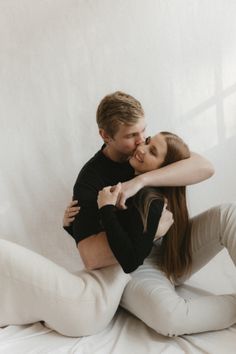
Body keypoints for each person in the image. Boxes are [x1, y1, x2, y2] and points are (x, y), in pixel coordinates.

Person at [64, 91, 236, 336]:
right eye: (131, 135)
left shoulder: (144, 153)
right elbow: (90, 257)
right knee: (170, 318)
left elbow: (205, 167)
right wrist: (150, 233)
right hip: (136, 265)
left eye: (144, 132)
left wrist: (140, 181)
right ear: (105, 135)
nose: (140, 142)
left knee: (228, 214)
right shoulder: (90, 181)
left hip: (175, 251)